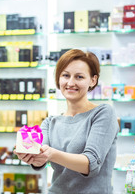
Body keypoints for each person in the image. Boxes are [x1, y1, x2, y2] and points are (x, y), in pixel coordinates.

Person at [14, 49, 119, 194]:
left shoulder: (103, 113)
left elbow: (91, 164)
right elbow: (42, 159)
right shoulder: (50, 123)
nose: (70, 82)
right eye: (65, 75)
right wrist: (33, 157)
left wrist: (51, 154)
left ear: (93, 80)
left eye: (79, 77)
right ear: (58, 79)